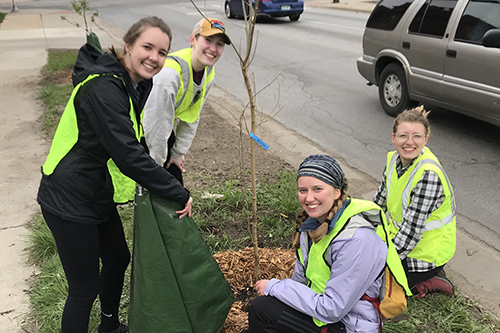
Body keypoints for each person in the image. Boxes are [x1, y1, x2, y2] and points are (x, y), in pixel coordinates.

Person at [37, 16, 193, 333]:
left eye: (162, 52)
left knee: (118, 258)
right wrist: (178, 193)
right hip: (68, 198)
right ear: (128, 45)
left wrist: (170, 162)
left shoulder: (134, 81)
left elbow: (140, 132)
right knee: (83, 288)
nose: (154, 57)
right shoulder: (104, 88)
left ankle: (108, 326)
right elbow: (127, 155)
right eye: (147, 47)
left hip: (95, 190)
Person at [246, 154, 403, 333]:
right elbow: (300, 281)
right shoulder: (311, 225)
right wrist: (278, 297)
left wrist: (275, 287)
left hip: (349, 325)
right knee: (264, 311)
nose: (309, 198)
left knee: (261, 309)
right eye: (303, 190)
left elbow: (331, 309)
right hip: (325, 314)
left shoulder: (358, 239)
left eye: (318, 189)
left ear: (337, 192)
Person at [373, 106, 456, 298]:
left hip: (424, 254)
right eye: (403, 136)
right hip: (402, 239)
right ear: (393, 138)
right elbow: (378, 203)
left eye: (417, 136)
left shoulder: (428, 175)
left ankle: (429, 279)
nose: (409, 142)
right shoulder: (393, 160)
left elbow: (410, 235)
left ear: (425, 140)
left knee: (377, 288)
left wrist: (377, 262)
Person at [142, 17, 231, 183]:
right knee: (149, 190)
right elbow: (156, 126)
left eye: (219, 44)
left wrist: (177, 154)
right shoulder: (169, 75)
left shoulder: (208, 72)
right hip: (138, 131)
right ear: (193, 40)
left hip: (161, 130)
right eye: (208, 40)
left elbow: (192, 116)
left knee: (176, 189)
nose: (213, 48)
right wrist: (156, 168)